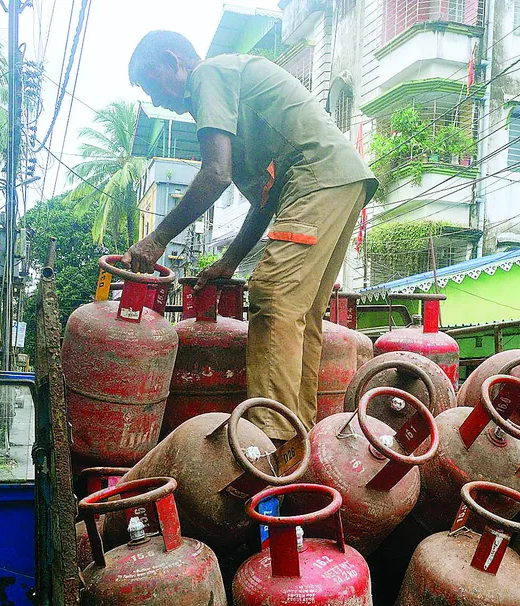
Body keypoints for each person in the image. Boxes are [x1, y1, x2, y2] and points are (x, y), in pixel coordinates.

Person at [121, 31, 376, 441]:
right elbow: (264, 202)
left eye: (154, 85)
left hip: (317, 176)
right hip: (342, 179)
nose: (156, 99)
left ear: (174, 62)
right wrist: (231, 260)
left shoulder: (208, 76)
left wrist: (158, 238)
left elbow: (215, 174)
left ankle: (269, 438)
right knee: (300, 312)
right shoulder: (231, 101)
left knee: (273, 295)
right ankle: (298, 435)